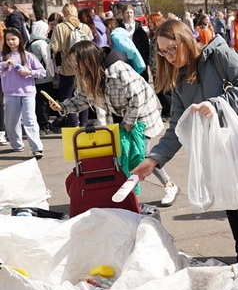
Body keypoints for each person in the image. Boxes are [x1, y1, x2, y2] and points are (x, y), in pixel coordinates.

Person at [131, 19, 238, 261]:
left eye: (172, 48)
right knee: (233, 209)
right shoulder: (180, 78)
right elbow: (178, 127)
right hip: (220, 153)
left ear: (186, 40)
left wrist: (217, 105)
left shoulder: (218, 55)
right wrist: (154, 159)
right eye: (162, 52)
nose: (168, 56)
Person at [50, 40, 179, 206]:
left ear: (88, 59)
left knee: (141, 155)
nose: (75, 66)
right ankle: (126, 196)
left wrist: (129, 123)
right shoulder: (87, 75)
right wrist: (62, 107)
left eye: (77, 61)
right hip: (119, 117)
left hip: (141, 115)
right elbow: (82, 99)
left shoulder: (118, 69)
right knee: (124, 156)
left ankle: (168, 186)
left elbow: (137, 98)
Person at [1, 27, 44, 158]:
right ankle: (17, 144)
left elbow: (42, 72)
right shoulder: (3, 56)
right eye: (8, 39)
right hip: (10, 93)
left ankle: (37, 148)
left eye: (13, 39)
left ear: (19, 39)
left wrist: (29, 72)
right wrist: (4, 65)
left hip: (28, 92)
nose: (10, 42)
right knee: (11, 122)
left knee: (30, 120)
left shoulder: (28, 55)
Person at [50, 3, 93, 127]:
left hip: (68, 67)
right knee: (84, 96)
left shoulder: (60, 27)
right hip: (84, 66)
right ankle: (84, 124)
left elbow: (55, 48)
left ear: (64, 14)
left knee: (67, 96)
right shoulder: (84, 27)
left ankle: (74, 124)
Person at [28, 20, 57, 134]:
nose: (47, 32)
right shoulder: (42, 43)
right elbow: (47, 60)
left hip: (34, 77)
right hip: (45, 77)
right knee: (45, 102)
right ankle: (44, 125)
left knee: (38, 102)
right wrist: (53, 74)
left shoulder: (29, 42)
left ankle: (40, 124)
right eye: (46, 30)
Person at [119, 5, 150, 78]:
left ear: (134, 14)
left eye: (131, 13)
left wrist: (144, 61)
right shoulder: (119, 28)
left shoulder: (140, 29)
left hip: (138, 59)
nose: (129, 15)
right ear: (123, 14)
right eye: (127, 13)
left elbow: (145, 46)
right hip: (124, 59)